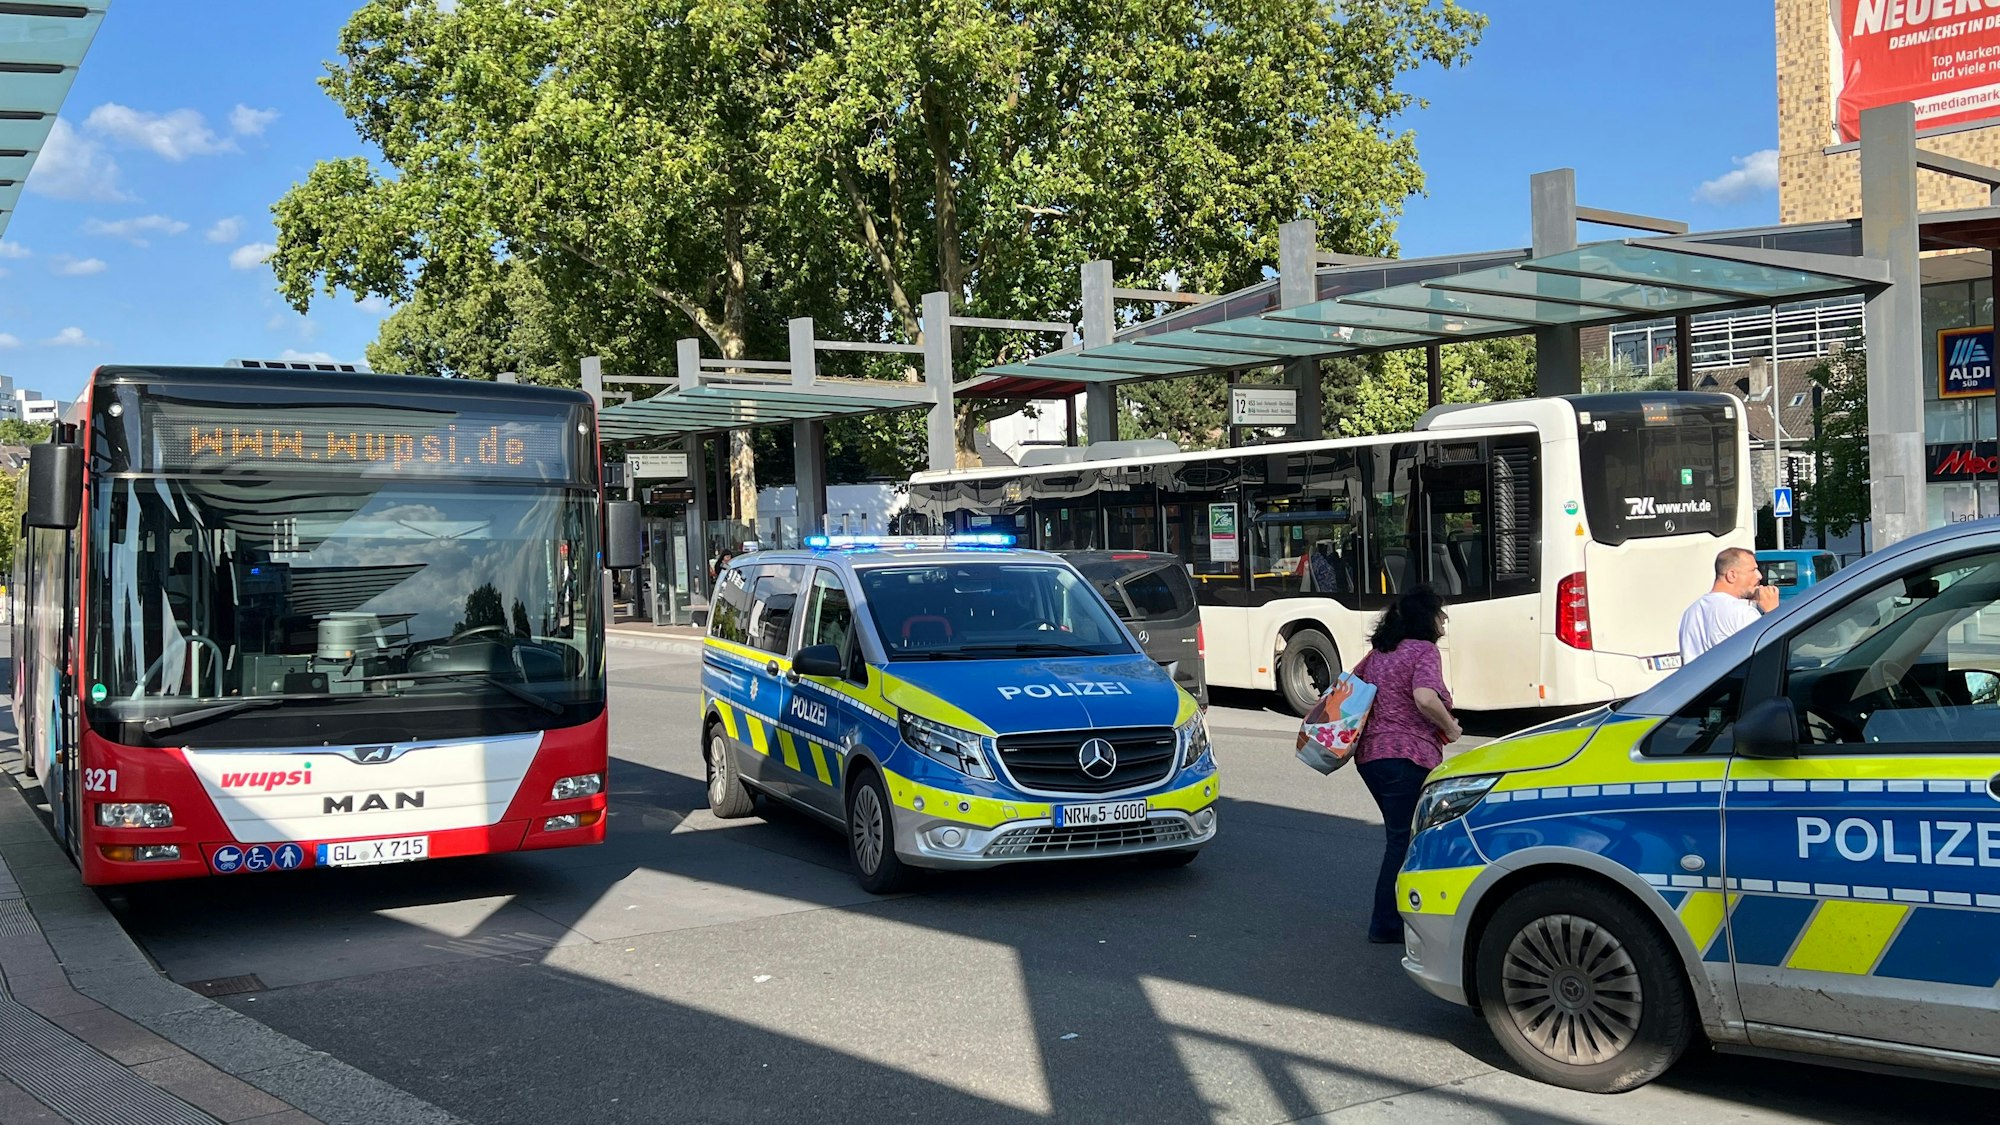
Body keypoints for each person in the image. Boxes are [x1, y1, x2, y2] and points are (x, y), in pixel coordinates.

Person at [1352, 584, 1461, 944]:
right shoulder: (1424, 651)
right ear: (1426, 617)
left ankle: (1400, 918)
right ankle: (1386, 924)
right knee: (1404, 841)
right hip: (1406, 758)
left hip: (1371, 759)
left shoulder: (1379, 654)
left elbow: (1349, 688)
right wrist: (1451, 727)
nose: (1443, 619)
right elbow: (1425, 697)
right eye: (1440, 612)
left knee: (1402, 837)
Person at [1678, 547, 1779, 662]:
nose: (1759, 576)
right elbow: (1768, 656)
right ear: (1732, 575)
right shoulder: (1742, 613)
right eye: (1753, 570)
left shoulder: (1690, 613)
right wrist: (1772, 612)